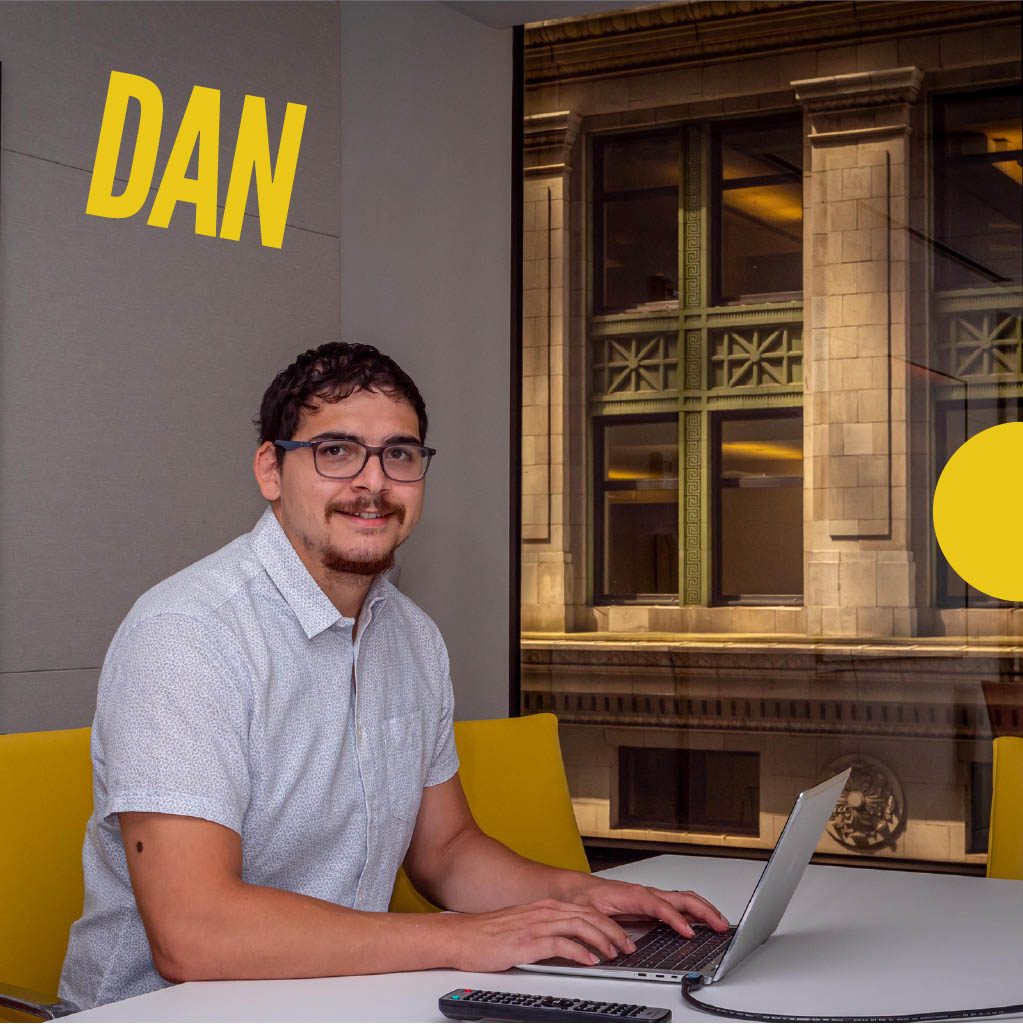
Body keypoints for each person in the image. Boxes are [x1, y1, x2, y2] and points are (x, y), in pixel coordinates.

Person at [60, 341, 728, 1009]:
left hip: (344, 996)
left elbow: (446, 852)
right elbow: (195, 935)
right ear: (271, 469)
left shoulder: (410, 636)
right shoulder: (188, 634)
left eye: (399, 455)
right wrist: (460, 938)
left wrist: (597, 899)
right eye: (336, 451)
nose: (373, 483)